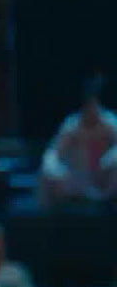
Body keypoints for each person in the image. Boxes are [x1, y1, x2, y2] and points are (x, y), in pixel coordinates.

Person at [38, 75, 117, 211]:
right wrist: (57, 170)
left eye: (94, 105)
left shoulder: (109, 123)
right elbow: (53, 154)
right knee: (47, 175)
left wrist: (109, 159)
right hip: (77, 179)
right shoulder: (72, 125)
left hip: (103, 178)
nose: (91, 110)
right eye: (88, 106)